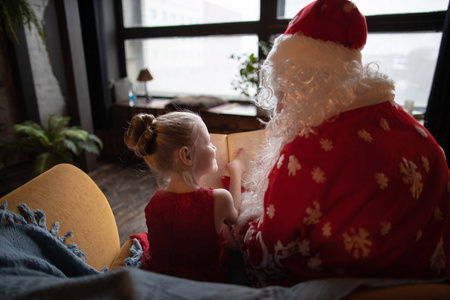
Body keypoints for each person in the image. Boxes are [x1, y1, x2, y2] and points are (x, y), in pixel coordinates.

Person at [235, 0, 450, 287]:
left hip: (335, 291)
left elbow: (266, 257)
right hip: (426, 287)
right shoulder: (417, 132)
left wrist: (241, 227)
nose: (280, 103)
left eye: (284, 88)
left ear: (305, 83)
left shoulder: (306, 150)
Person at [124, 111, 246, 283]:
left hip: (158, 277)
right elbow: (235, 215)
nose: (214, 147)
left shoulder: (155, 200)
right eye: (209, 142)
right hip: (201, 284)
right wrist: (236, 171)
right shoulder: (219, 199)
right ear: (187, 156)